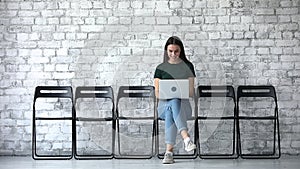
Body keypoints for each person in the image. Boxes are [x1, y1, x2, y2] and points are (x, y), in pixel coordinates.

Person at [154, 36, 196, 164]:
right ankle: (186, 138)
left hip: (184, 107)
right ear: (166, 51)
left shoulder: (188, 66)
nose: (173, 54)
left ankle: (169, 152)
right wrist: (168, 94)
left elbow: (191, 92)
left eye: (176, 51)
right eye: (170, 51)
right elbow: (157, 93)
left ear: (181, 51)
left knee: (172, 107)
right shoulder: (160, 68)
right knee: (171, 104)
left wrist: (179, 91)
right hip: (162, 105)